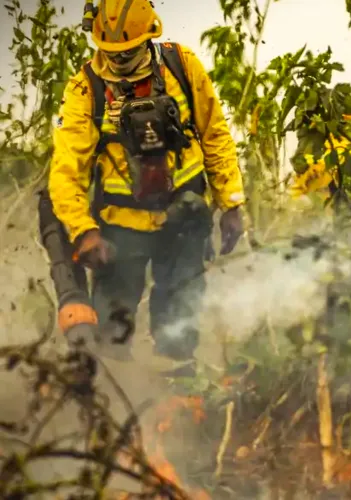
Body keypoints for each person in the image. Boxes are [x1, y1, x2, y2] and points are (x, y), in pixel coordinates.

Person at [47, 0, 245, 376]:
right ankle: (118, 408)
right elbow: (66, 171)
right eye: (113, 53)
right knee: (111, 336)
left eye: (129, 51)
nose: (120, 61)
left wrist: (231, 202)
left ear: (150, 36)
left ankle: (183, 403)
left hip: (183, 219)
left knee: (179, 324)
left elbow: (215, 134)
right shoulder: (85, 89)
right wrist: (84, 230)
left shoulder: (181, 66)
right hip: (121, 229)